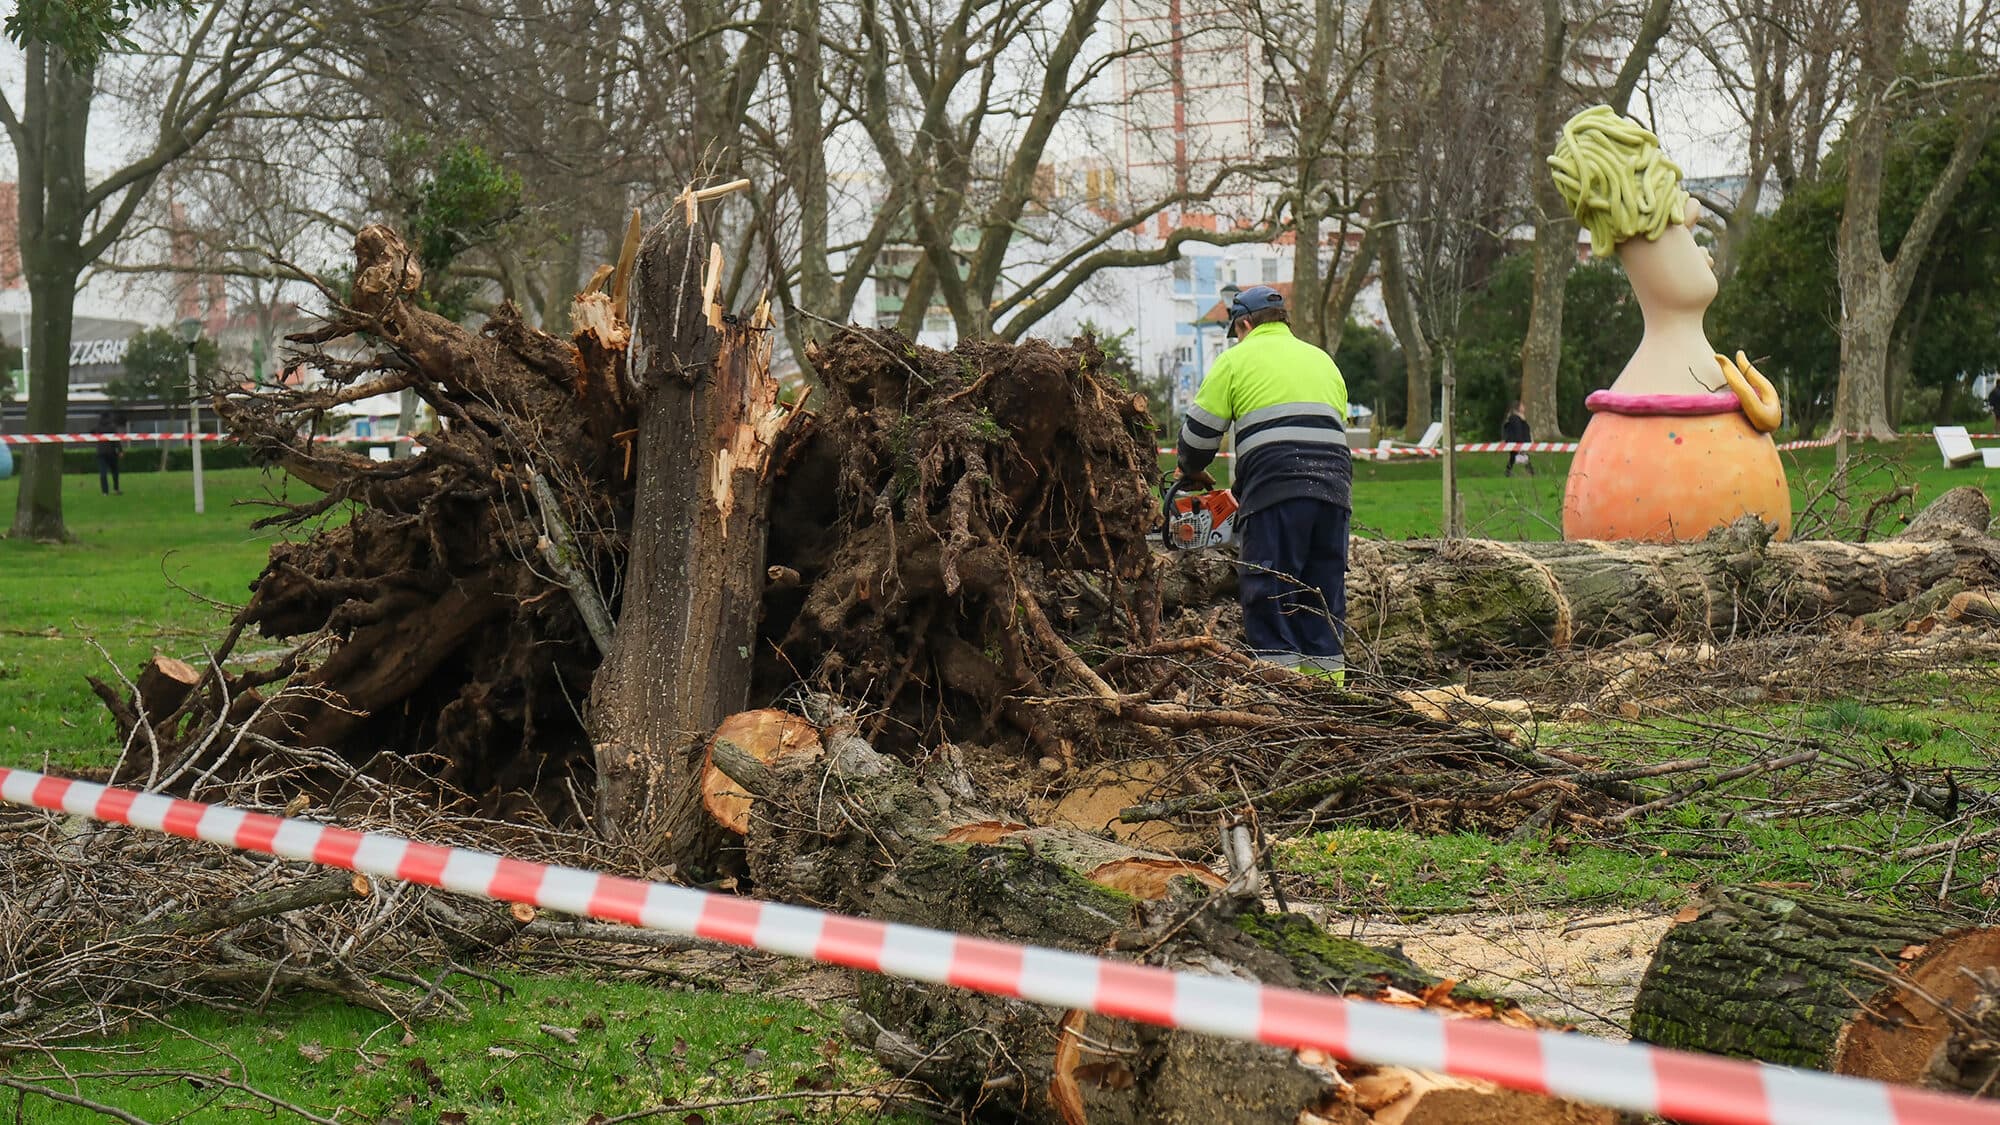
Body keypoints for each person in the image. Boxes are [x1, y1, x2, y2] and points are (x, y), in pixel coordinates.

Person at [1175, 285, 1352, 683]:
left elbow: (1199, 437)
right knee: (1322, 595)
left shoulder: (1236, 359)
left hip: (1276, 489)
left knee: (1268, 591)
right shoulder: (1322, 360)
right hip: (1334, 491)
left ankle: (1279, 700)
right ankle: (1330, 702)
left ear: (1244, 323)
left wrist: (1189, 469)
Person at [94, 411, 123, 496]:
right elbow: (116, 440)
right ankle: (116, 489)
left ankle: (105, 492)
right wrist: (120, 450)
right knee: (115, 471)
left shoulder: (97, 427)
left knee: (103, 473)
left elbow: (91, 432)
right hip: (111, 452)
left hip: (101, 452)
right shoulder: (112, 427)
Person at [1502, 401, 1534, 477]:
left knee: (1514, 457)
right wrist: (1520, 442)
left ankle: (1508, 471)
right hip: (1517, 441)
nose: (1524, 407)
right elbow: (1518, 430)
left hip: (1519, 441)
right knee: (1518, 456)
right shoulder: (1515, 418)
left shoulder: (1520, 418)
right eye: (1522, 406)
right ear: (1518, 408)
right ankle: (1530, 471)